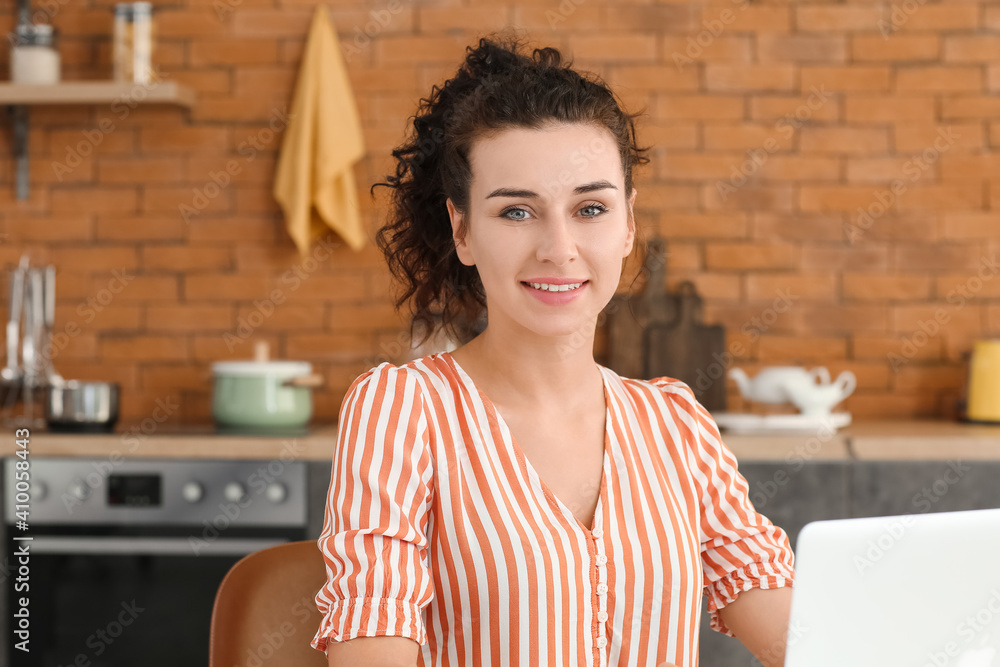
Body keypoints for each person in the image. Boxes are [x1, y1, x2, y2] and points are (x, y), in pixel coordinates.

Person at [311, 33, 795, 667]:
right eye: (517, 213)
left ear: (628, 227)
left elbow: (805, 639)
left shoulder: (676, 427)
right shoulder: (403, 414)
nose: (559, 248)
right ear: (463, 231)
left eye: (590, 208)